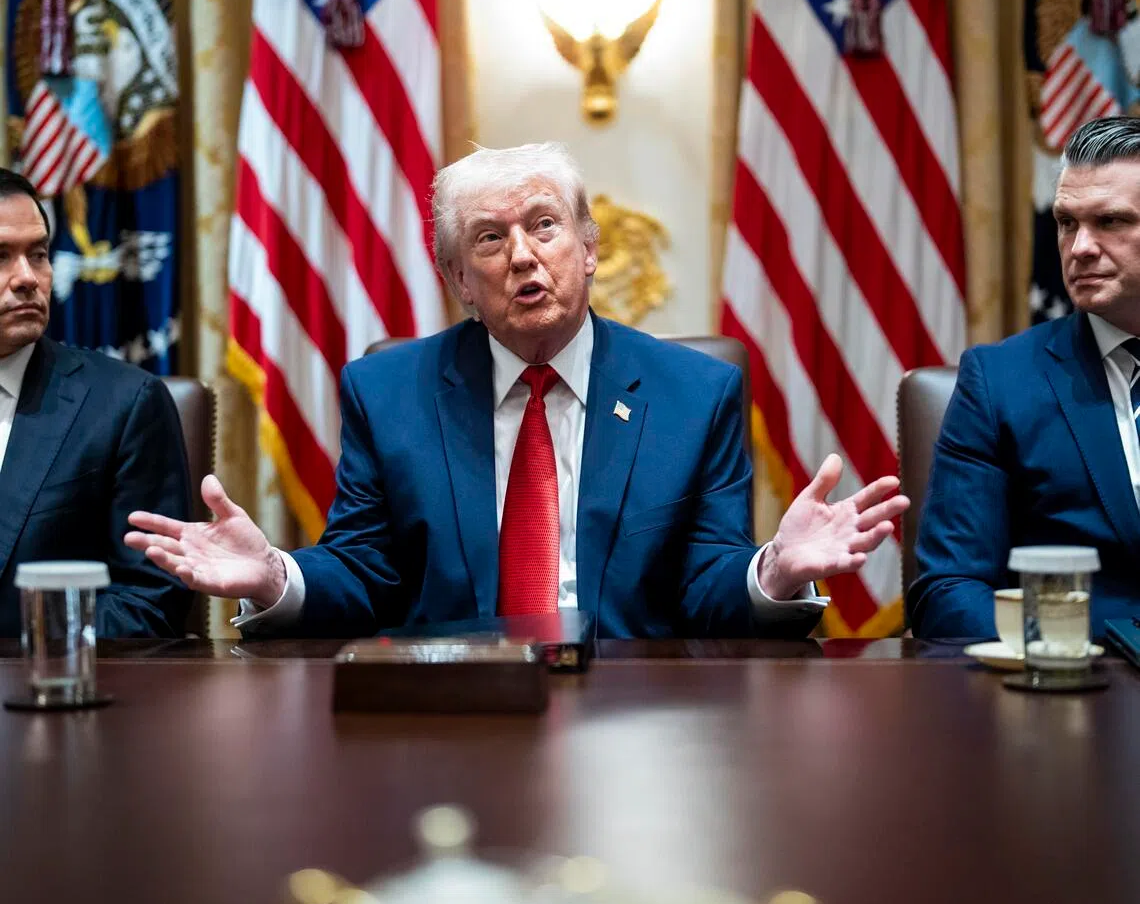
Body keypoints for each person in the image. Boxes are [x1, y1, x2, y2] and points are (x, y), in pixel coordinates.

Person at [127, 143, 907, 639]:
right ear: (459, 278)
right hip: (456, 711)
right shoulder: (389, 391)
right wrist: (276, 577)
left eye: (545, 226)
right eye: (491, 239)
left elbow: (706, 587)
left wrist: (772, 572)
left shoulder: (696, 393)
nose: (524, 259)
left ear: (591, 250)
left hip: (643, 712)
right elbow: (365, 573)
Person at [909, 116, 1140, 637]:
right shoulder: (999, 382)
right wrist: (1055, 653)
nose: (1079, 247)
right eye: (1066, 223)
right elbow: (948, 590)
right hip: (1070, 691)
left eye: (1110, 222)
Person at [0, 168, 191, 637]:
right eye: (0, 257)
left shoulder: (124, 405)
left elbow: (150, 601)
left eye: (39, 255)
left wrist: (33, 645)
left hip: (54, 693)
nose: (27, 278)